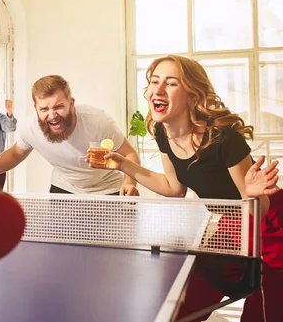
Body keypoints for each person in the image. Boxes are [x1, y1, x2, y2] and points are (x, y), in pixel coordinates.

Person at [95, 54, 282, 321]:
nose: (157, 90)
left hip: (269, 220)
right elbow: (173, 187)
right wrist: (125, 165)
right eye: (154, 81)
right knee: (182, 302)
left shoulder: (222, 137)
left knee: (264, 311)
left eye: (171, 83)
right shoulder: (163, 132)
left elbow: (257, 210)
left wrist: (253, 194)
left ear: (192, 95)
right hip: (230, 222)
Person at [0, 75, 141, 195]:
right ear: (36, 108)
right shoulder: (31, 127)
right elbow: (15, 154)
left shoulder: (98, 122)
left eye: (58, 107)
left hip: (107, 189)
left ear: (71, 103)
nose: (52, 115)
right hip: (64, 189)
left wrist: (129, 182)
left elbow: (129, 154)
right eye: (44, 109)